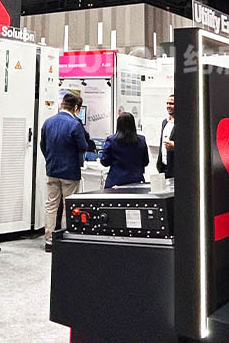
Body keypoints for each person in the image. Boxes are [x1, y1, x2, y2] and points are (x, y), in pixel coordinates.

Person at [40, 92, 89, 251]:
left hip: (52, 169)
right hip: (70, 172)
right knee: (68, 206)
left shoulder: (48, 122)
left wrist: (50, 159)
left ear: (62, 105)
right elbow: (83, 146)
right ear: (75, 108)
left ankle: (49, 241)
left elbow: (43, 145)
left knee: (51, 205)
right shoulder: (75, 125)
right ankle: (65, 238)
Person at [100, 112, 149, 188]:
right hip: (136, 181)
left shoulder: (111, 140)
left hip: (115, 182)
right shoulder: (141, 140)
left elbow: (104, 162)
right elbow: (145, 162)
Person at [156, 94, 176, 178]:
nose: (168, 106)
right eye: (167, 103)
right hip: (163, 167)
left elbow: (191, 145)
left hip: (175, 168)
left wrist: (176, 146)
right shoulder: (165, 122)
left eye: (171, 103)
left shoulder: (184, 124)